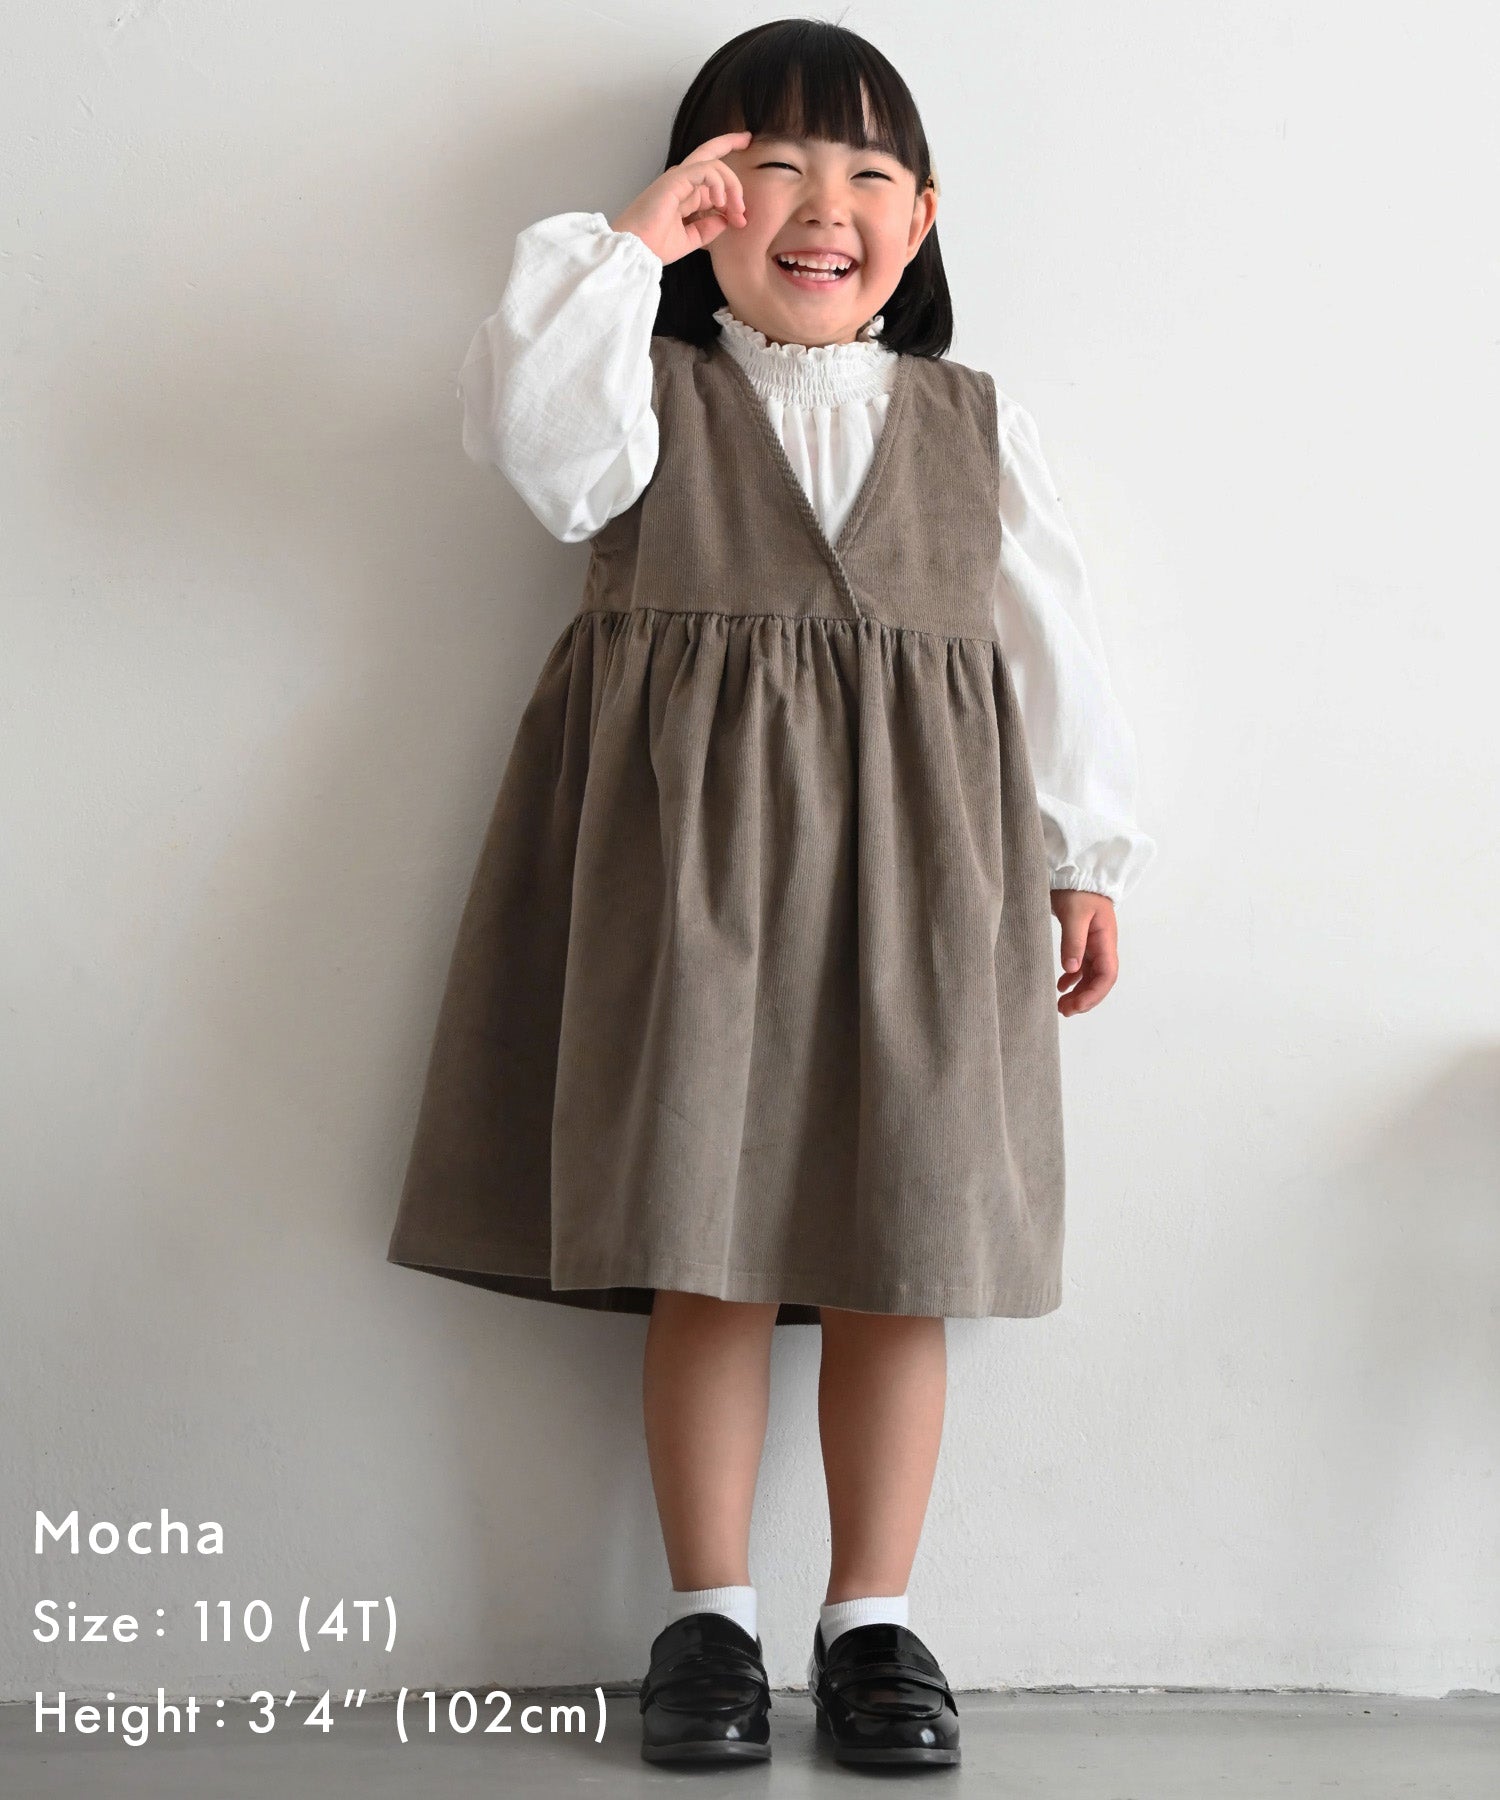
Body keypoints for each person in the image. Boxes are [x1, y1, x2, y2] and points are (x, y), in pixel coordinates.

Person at [387, 17, 1156, 1770]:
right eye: (770, 169)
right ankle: (710, 1619)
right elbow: (530, 440)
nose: (823, 207)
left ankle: (873, 1621)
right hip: (695, 892)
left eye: (868, 173)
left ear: (923, 217)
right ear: (704, 202)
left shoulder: (972, 424)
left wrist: (1081, 853)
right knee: (705, 1247)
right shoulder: (640, 402)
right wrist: (625, 249)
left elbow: (1052, 645)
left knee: (907, 1255)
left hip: (928, 890)